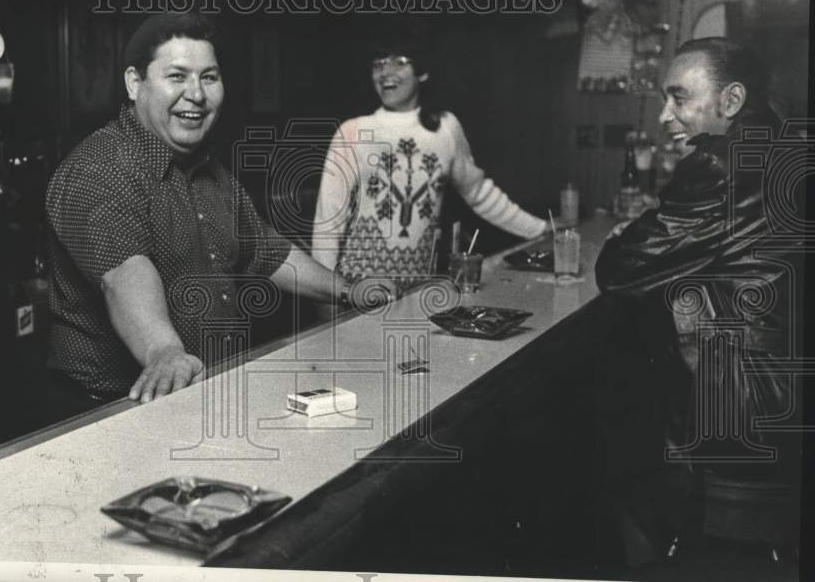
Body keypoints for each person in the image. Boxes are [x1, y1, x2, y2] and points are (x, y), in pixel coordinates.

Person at [44, 12, 396, 417]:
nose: (196, 94)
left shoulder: (211, 172)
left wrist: (348, 290)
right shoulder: (98, 168)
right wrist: (163, 350)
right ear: (134, 83)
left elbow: (267, 252)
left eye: (208, 77)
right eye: (177, 76)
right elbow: (123, 274)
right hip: (110, 410)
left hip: (201, 393)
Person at [595, 38, 802, 568]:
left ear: (730, 101)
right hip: (776, 396)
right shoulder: (777, 146)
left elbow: (619, 268)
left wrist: (637, 239)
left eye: (679, 98)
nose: (666, 115)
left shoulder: (720, 165)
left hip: (731, 408)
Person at [311, 41, 548, 294]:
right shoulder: (353, 131)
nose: (385, 72)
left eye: (399, 62)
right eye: (378, 64)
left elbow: (480, 194)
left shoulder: (445, 128)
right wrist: (328, 294)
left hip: (419, 291)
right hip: (357, 291)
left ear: (422, 72)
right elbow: (328, 220)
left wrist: (543, 229)